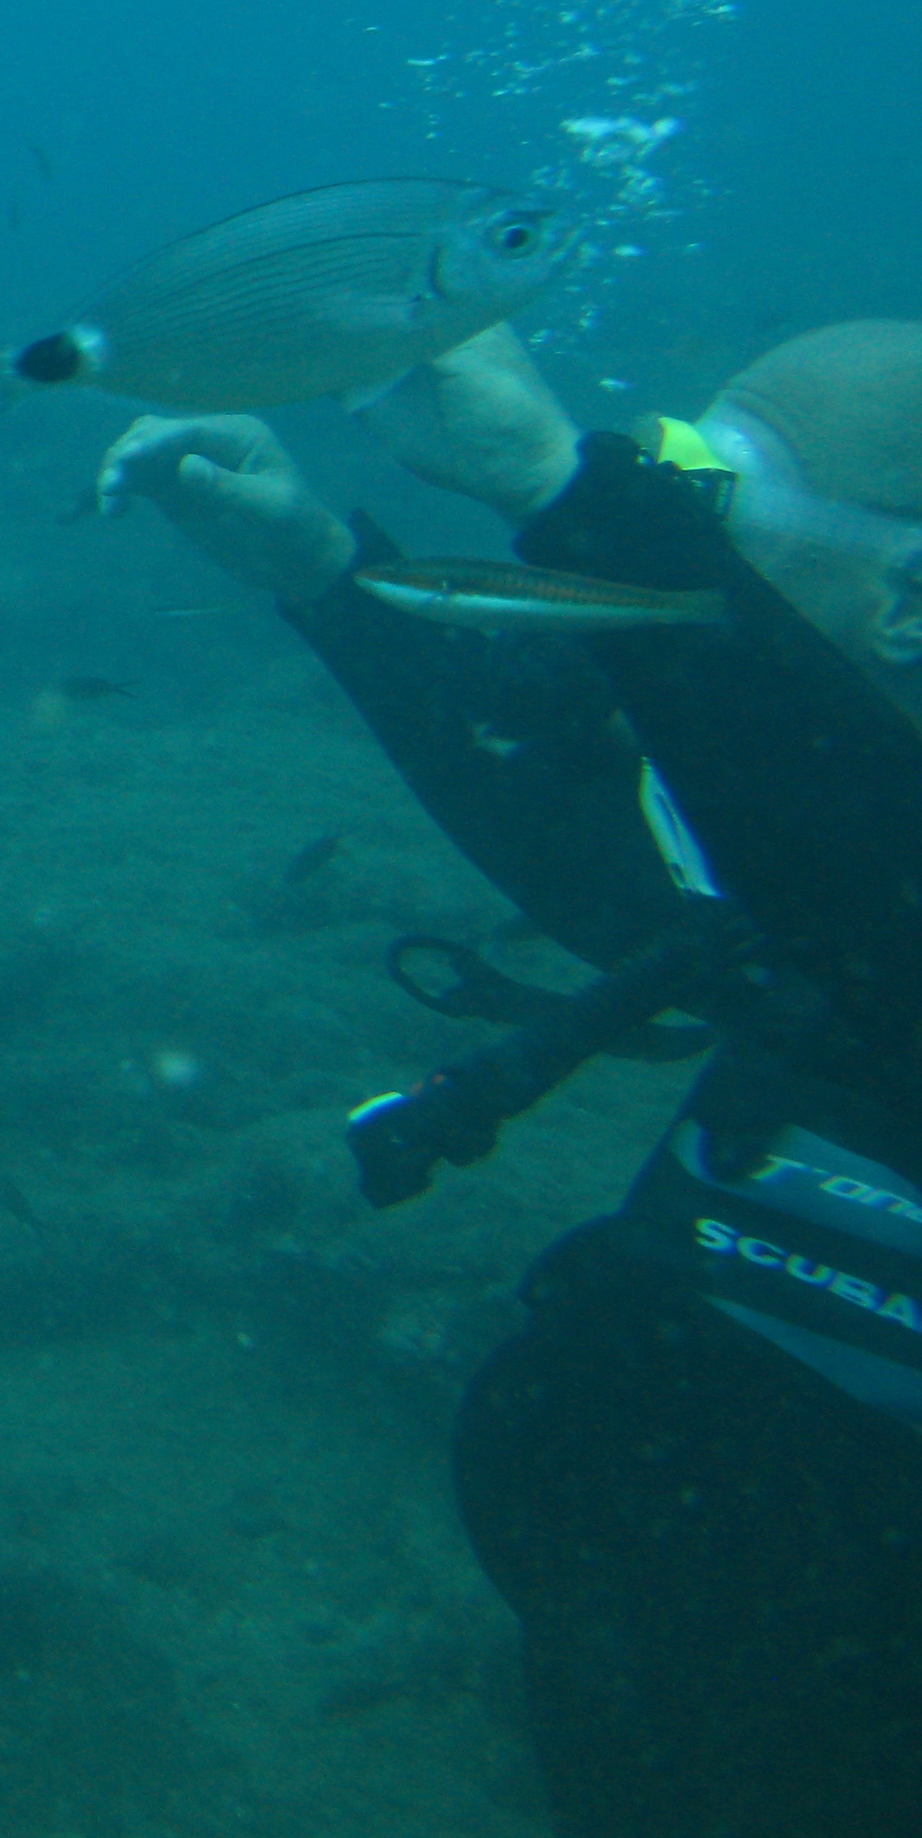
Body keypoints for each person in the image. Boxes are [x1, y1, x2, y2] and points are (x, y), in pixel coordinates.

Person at [100, 320, 922, 1838]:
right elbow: (605, 849)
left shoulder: (849, 860)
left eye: (717, 509)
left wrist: (564, 484)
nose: (679, 535)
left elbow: (868, 901)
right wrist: (325, 571)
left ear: (907, 601)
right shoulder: (792, 841)